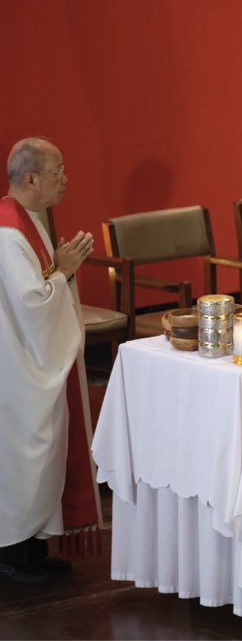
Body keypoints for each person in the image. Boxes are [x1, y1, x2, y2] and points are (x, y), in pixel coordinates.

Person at [0, 138, 101, 585]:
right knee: (25, 456)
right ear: (31, 179)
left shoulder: (28, 221)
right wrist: (61, 271)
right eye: (57, 171)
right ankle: (10, 555)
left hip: (30, 359)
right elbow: (31, 303)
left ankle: (34, 548)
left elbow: (40, 289)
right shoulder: (7, 232)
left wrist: (61, 271)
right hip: (18, 366)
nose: (65, 179)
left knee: (41, 456)